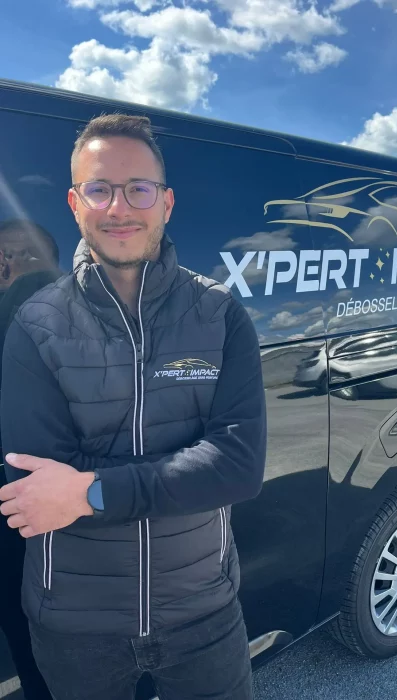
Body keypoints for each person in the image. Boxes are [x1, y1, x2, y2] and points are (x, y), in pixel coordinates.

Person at [0, 115, 266, 700]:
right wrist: (184, 471)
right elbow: (39, 491)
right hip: (75, 623)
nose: (120, 206)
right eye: (100, 188)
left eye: (138, 188)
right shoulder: (36, 326)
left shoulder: (219, 314)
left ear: (166, 203)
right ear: (75, 203)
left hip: (204, 612)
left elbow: (238, 467)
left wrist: (90, 492)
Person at [0, 219, 60, 700]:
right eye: (3, 259)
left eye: (28, 256)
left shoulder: (64, 315)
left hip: (58, 511)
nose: (14, 268)